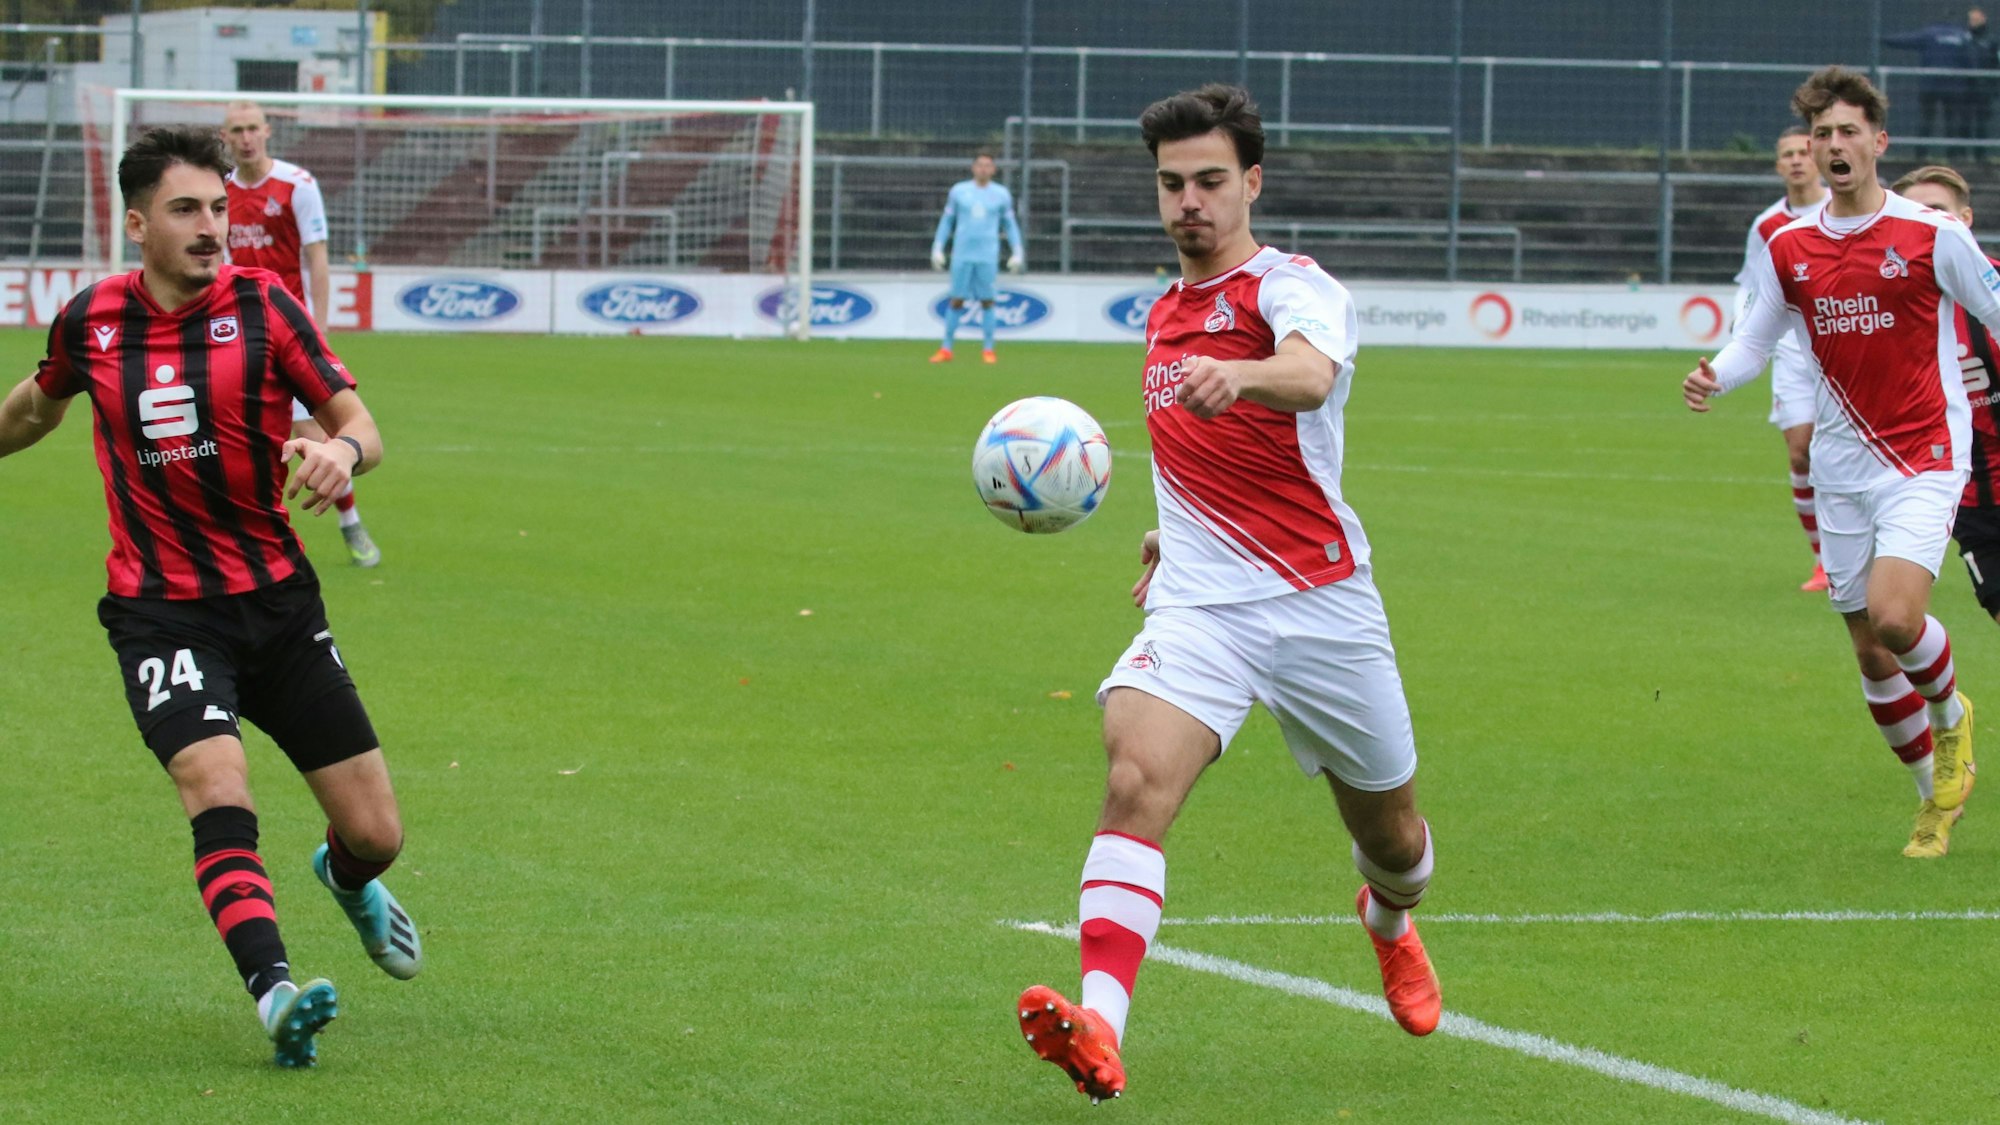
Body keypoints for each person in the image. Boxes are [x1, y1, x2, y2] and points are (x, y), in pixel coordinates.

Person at [1014, 85, 1441, 1104]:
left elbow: (1305, 374)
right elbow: (1193, 453)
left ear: (1250, 182)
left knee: (1396, 843)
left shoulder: (1291, 289)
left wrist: (1240, 375)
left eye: (1209, 181)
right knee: (1133, 780)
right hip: (1201, 612)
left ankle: (1386, 920)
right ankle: (1100, 1031)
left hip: (1322, 607)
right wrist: (1174, 532)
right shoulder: (1163, 315)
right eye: (1171, 184)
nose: (1189, 202)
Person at [0, 125, 422, 1066]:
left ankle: (349, 882)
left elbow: (361, 424)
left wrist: (337, 450)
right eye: (188, 210)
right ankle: (276, 994)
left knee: (376, 833)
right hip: (159, 608)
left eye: (220, 209)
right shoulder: (90, 320)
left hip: (276, 603)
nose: (211, 227)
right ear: (138, 221)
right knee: (214, 780)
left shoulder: (267, 307)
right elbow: (37, 405)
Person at [1684, 68, 1982, 858]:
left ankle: (1953, 717)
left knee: (1895, 615)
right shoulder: (1790, 244)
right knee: (1868, 646)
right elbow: (1760, 334)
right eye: (1823, 134)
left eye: (1850, 131)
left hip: (1923, 454)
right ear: (1812, 151)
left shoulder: (1930, 234)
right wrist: (1717, 371)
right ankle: (1932, 800)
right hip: (1840, 465)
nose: (1835, 145)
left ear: (1878, 143)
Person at [222, 100, 380, 568]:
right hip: (234, 329)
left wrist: (320, 328)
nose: (246, 137)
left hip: (288, 330)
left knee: (321, 433)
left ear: (267, 131)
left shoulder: (297, 185)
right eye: (237, 130)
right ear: (225, 137)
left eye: (253, 128)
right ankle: (244, 538)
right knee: (234, 435)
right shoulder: (219, 192)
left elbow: (317, 258)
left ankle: (349, 524)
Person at [1893, 164, 2000, 635]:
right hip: (1971, 500)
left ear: (1966, 219)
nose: (1929, 223)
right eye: (1917, 214)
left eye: (1938, 211)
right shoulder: (1892, 308)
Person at [1735, 126, 1830, 591]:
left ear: (1818, 158)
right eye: (1787, 154)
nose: (1796, 160)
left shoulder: (1843, 208)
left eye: (1803, 152)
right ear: (1778, 165)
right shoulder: (1767, 225)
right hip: (1792, 353)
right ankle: (1823, 561)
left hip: (1843, 345)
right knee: (1801, 451)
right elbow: (1750, 289)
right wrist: (1743, 335)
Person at [928, 152, 1025, 365]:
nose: (983, 169)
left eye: (987, 165)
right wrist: (937, 247)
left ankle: (988, 349)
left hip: (987, 255)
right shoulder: (959, 191)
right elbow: (947, 221)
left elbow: (1010, 225)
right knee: (956, 300)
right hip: (962, 254)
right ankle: (946, 348)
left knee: (987, 301)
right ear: (973, 168)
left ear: (993, 169)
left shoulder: (1001, 194)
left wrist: (1017, 251)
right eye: (979, 165)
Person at [1884, 10, 1981, 160]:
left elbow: (1905, 41)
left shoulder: (1930, 34)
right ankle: (1952, 156)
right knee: (1951, 121)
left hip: (1930, 85)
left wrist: (1882, 39)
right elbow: (1970, 62)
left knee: (1926, 120)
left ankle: (1920, 155)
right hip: (1954, 88)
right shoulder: (1961, 37)